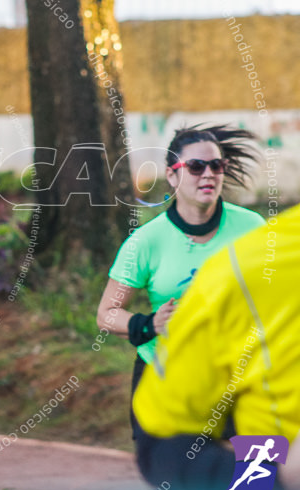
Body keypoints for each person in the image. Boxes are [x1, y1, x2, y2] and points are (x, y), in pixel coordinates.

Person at [133, 45, 300, 490]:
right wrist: (279, 479)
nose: (209, 176)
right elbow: (163, 446)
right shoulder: (243, 273)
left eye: (215, 166)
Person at [96, 124, 264, 434]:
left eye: (217, 165)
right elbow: (107, 315)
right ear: (172, 175)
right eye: (196, 166)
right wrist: (151, 325)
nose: (208, 174)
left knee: (258, 478)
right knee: (179, 481)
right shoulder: (146, 241)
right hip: (168, 381)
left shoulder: (252, 227)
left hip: (244, 377)